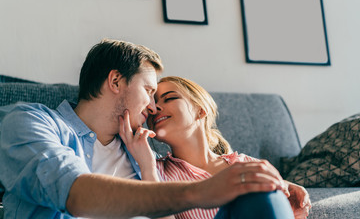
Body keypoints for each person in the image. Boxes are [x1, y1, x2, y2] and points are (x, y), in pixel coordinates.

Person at [1, 39, 292, 219]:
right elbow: (75, 193)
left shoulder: (139, 152)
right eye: (150, 91)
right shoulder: (29, 122)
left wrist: (282, 185)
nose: (153, 108)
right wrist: (200, 192)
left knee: (262, 193)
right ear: (115, 82)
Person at [120, 76, 312, 219]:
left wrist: (284, 186)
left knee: (260, 185)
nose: (155, 108)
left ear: (200, 110)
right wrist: (146, 165)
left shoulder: (246, 164)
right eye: (152, 104)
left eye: (169, 98)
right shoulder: (156, 171)